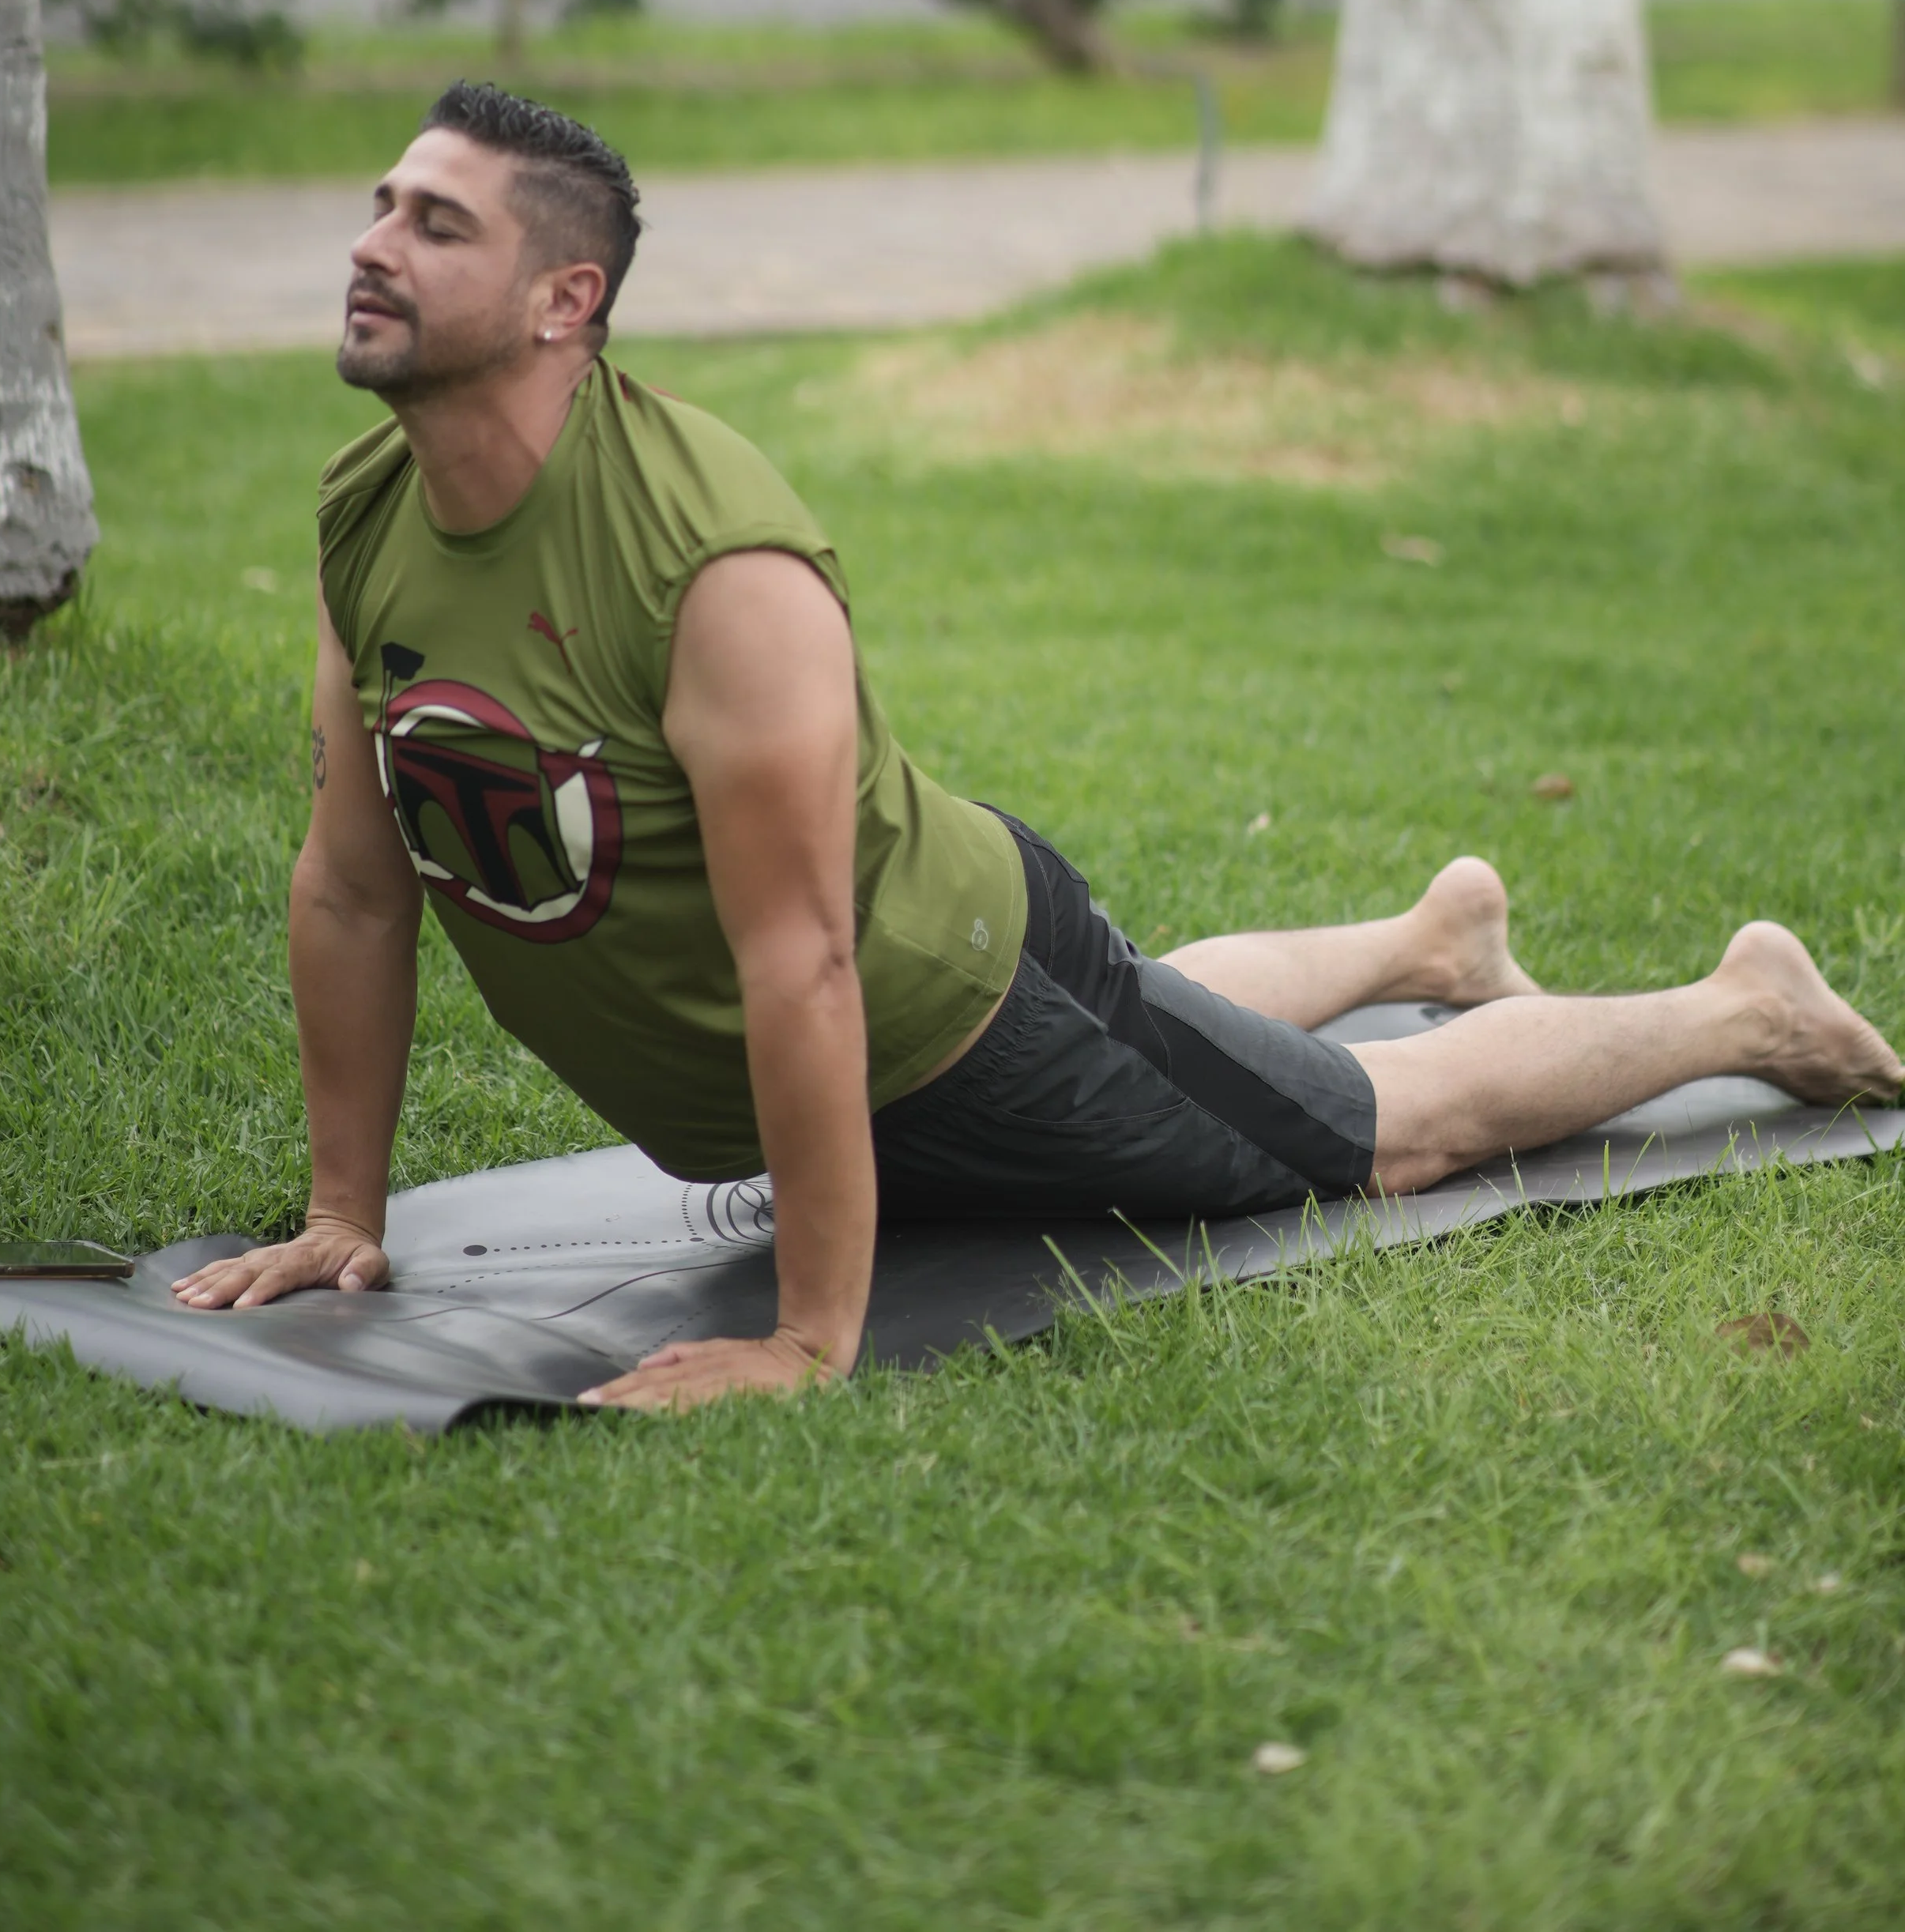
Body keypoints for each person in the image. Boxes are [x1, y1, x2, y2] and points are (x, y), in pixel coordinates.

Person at [173, 84, 1902, 1410]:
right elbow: (350, 883)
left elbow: (806, 961)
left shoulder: (713, 569)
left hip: (939, 1025)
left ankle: (1739, 1006)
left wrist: (805, 1339)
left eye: (434, 224)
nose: (372, 243)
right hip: (933, 948)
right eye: (381, 204)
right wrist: (344, 1210)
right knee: (1152, 1017)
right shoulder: (368, 511)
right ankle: (1422, 940)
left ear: (564, 301)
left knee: (1378, 1134)